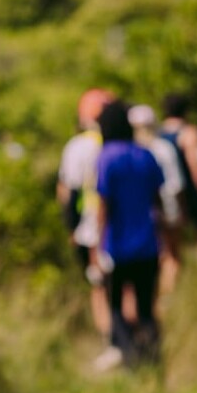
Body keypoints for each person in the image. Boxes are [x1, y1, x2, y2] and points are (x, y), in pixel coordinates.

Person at [96, 100, 165, 367]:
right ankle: (152, 357)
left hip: (118, 245)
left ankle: (130, 358)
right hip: (148, 244)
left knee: (116, 307)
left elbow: (103, 205)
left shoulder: (106, 157)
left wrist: (99, 246)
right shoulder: (145, 155)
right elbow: (157, 201)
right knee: (146, 308)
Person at [57, 89, 114, 339]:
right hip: (117, 225)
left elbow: (69, 189)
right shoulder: (118, 141)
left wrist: (71, 226)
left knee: (98, 285)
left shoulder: (78, 146)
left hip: (90, 226)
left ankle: (109, 337)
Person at [129, 104, 184, 296]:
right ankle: (165, 298)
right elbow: (175, 184)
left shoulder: (130, 151)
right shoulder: (164, 148)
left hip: (141, 212)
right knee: (171, 255)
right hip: (167, 207)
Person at [159, 93, 197, 241]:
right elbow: (194, 165)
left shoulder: (158, 133)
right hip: (188, 190)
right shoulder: (188, 132)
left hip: (165, 190)